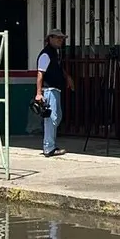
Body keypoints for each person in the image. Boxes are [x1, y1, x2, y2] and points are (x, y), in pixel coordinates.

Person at [35, 29, 73, 157]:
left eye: (61, 38)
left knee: (56, 117)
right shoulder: (46, 54)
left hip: (54, 89)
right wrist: (39, 93)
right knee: (52, 118)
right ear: (50, 38)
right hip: (49, 90)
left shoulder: (54, 54)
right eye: (57, 38)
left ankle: (50, 145)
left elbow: (57, 68)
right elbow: (40, 73)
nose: (60, 40)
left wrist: (67, 77)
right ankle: (49, 148)